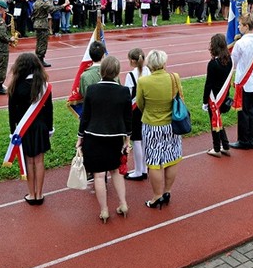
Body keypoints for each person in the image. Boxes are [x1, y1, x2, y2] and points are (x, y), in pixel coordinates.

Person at [77, 56, 132, 223]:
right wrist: (127, 139)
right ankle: (123, 204)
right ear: (117, 72)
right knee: (116, 171)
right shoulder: (124, 91)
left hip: (94, 137)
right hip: (115, 138)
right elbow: (127, 118)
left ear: (101, 71)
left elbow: (85, 117)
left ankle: (104, 210)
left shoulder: (92, 90)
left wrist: (80, 137)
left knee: (99, 176)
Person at [136, 49, 182, 209]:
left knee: (154, 161)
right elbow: (180, 98)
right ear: (164, 63)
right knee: (172, 157)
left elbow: (140, 104)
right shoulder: (174, 78)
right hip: (172, 125)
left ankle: (157, 196)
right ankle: (167, 191)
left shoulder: (143, 82)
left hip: (152, 125)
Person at [7, 53, 54, 205]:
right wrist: (49, 128)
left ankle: (32, 194)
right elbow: (49, 110)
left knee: (29, 161)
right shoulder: (43, 85)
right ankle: (40, 194)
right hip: (40, 128)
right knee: (39, 161)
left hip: (23, 128)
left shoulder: (15, 85)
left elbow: (12, 112)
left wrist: (12, 130)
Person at [230, 13, 253, 148]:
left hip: (243, 81)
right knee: (251, 111)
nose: (238, 27)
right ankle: (250, 139)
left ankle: (244, 141)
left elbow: (233, 61)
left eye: (240, 25)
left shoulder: (240, 43)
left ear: (246, 26)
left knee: (243, 112)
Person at [203, 33, 233, 155]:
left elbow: (208, 84)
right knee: (218, 120)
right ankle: (225, 146)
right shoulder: (230, 60)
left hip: (214, 98)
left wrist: (205, 101)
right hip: (224, 95)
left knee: (214, 122)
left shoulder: (213, 64)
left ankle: (216, 149)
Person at [124, 48, 151, 180]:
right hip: (148, 108)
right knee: (145, 138)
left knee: (136, 141)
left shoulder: (131, 75)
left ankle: (139, 171)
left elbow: (128, 97)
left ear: (133, 61)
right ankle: (144, 168)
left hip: (135, 111)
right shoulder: (149, 71)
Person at [32, 0, 65, 67]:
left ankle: (38, 58)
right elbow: (52, 9)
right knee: (43, 43)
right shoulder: (42, 3)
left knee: (39, 42)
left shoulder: (36, 3)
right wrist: (63, 5)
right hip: (42, 24)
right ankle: (40, 59)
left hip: (37, 23)